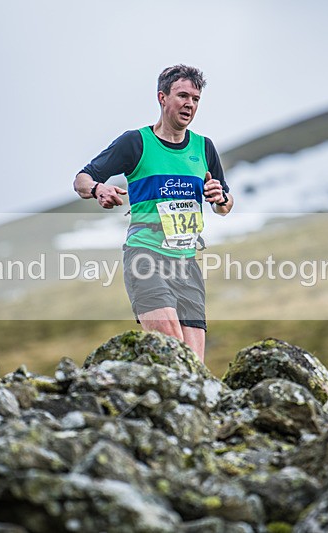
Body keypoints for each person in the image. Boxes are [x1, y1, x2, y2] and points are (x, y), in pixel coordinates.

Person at [73, 64, 233, 363]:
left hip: (187, 264)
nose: (190, 104)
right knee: (173, 354)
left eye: (196, 99)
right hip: (146, 258)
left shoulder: (203, 148)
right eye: (182, 95)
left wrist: (220, 198)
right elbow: (81, 179)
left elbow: (224, 205)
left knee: (194, 366)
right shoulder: (136, 142)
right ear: (162, 98)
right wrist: (98, 189)